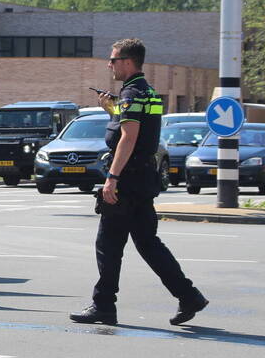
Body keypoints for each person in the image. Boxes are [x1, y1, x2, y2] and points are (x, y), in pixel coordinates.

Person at [70, 38, 209, 326]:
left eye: (113, 60)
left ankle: (104, 306)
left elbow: (129, 137)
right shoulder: (149, 93)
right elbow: (139, 128)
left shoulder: (131, 94)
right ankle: (189, 295)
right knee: (148, 243)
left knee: (108, 244)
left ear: (128, 62)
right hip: (143, 178)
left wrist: (112, 178)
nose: (110, 64)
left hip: (128, 180)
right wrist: (112, 110)